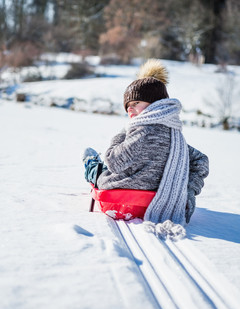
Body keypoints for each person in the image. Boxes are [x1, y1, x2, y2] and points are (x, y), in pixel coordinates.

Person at [83, 59, 209, 226]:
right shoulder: (174, 136)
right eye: (128, 105)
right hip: (161, 196)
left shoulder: (142, 131)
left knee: (98, 169)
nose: (129, 109)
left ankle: (90, 162)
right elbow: (201, 161)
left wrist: (123, 133)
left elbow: (114, 161)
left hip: (121, 196)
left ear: (155, 104)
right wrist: (187, 190)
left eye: (136, 103)